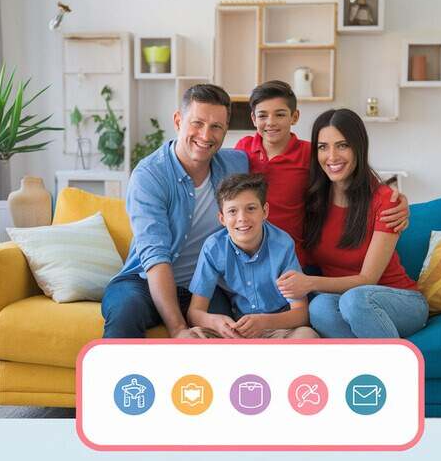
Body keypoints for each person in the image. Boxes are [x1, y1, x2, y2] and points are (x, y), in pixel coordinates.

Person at [101, 84, 248, 338]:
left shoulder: (235, 165)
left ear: (226, 130)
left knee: (226, 331)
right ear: (178, 120)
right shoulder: (150, 175)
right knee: (125, 311)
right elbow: (155, 256)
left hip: (203, 288)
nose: (205, 135)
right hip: (143, 282)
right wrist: (178, 329)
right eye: (197, 123)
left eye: (216, 127)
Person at [276, 108, 429, 339]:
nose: (332, 156)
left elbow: (368, 280)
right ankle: (359, 367)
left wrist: (308, 283)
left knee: (355, 299)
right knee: (319, 308)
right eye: (323, 147)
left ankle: (391, 370)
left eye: (342, 145)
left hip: (398, 301)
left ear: (358, 147)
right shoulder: (314, 200)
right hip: (346, 303)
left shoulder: (385, 200)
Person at [235, 80, 410, 263]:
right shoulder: (243, 149)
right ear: (253, 119)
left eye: (280, 114)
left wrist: (398, 201)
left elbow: (350, 175)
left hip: (292, 257)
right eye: (263, 115)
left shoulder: (311, 154)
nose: (271, 122)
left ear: (294, 117)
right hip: (250, 252)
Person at [187, 173, 317, 339]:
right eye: (232, 211)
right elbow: (194, 312)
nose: (242, 218)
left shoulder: (282, 245)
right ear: (222, 218)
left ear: (265, 211)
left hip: (278, 326)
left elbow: (301, 313)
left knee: (307, 336)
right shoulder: (213, 248)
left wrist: (264, 323)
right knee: (191, 337)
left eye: (251, 208)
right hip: (236, 328)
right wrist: (216, 322)